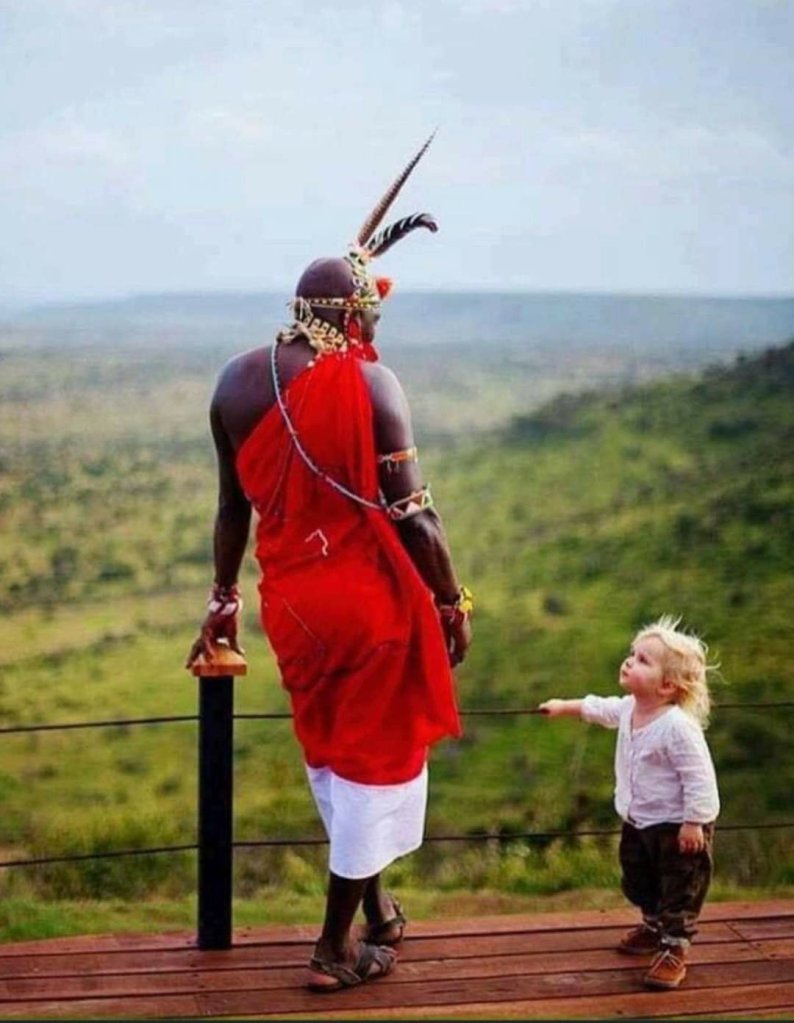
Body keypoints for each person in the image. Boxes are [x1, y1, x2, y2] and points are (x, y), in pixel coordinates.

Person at [186, 135, 472, 992]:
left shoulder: (235, 383)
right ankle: (332, 947)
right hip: (368, 604)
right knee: (374, 763)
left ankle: (378, 910)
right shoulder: (373, 385)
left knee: (335, 755)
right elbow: (416, 521)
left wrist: (222, 597)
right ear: (352, 316)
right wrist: (454, 601)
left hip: (293, 606)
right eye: (370, 315)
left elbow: (233, 506)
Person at [539, 615, 719, 991]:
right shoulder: (629, 710)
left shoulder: (677, 727)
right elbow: (598, 708)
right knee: (637, 878)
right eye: (632, 654)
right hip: (638, 820)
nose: (629, 661)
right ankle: (653, 927)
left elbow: (700, 779)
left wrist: (694, 823)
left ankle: (674, 947)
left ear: (667, 685)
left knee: (680, 887)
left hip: (677, 826)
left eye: (642, 661)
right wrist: (563, 706)